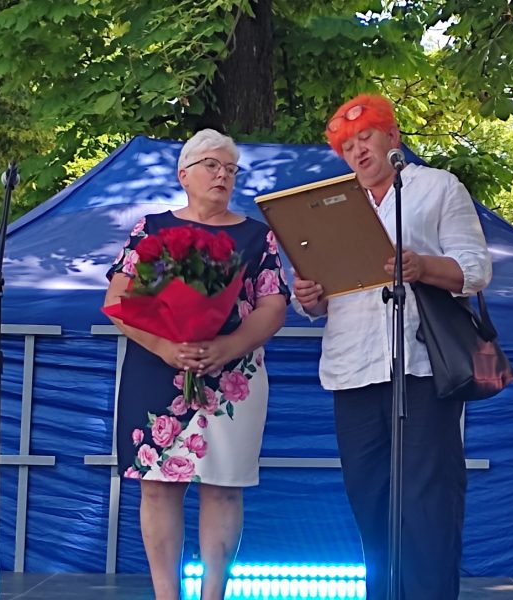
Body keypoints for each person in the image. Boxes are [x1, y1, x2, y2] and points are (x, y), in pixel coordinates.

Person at [292, 94, 492, 600]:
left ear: (392, 137)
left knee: (427, 501)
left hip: (423, 367)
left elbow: (476, 269)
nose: (358, 151)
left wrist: (422, 266)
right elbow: (322, 298)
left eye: (366, 138)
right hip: (353, 370)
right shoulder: (333, 205)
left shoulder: (437, 187)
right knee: (370, 501)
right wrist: (310, 298)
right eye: (347, 147)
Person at [103, 128, 290, 600]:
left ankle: (213, 595)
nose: (222, 175)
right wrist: (165, 346)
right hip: (156, 369)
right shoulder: (151, 229)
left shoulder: (256, 236)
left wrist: (230, 346)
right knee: (158, 486)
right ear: (183, 174)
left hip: (233, 375)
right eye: (212, 165)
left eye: (230, 169)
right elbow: (118, 300)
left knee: (223, 487)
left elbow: (272, 306)